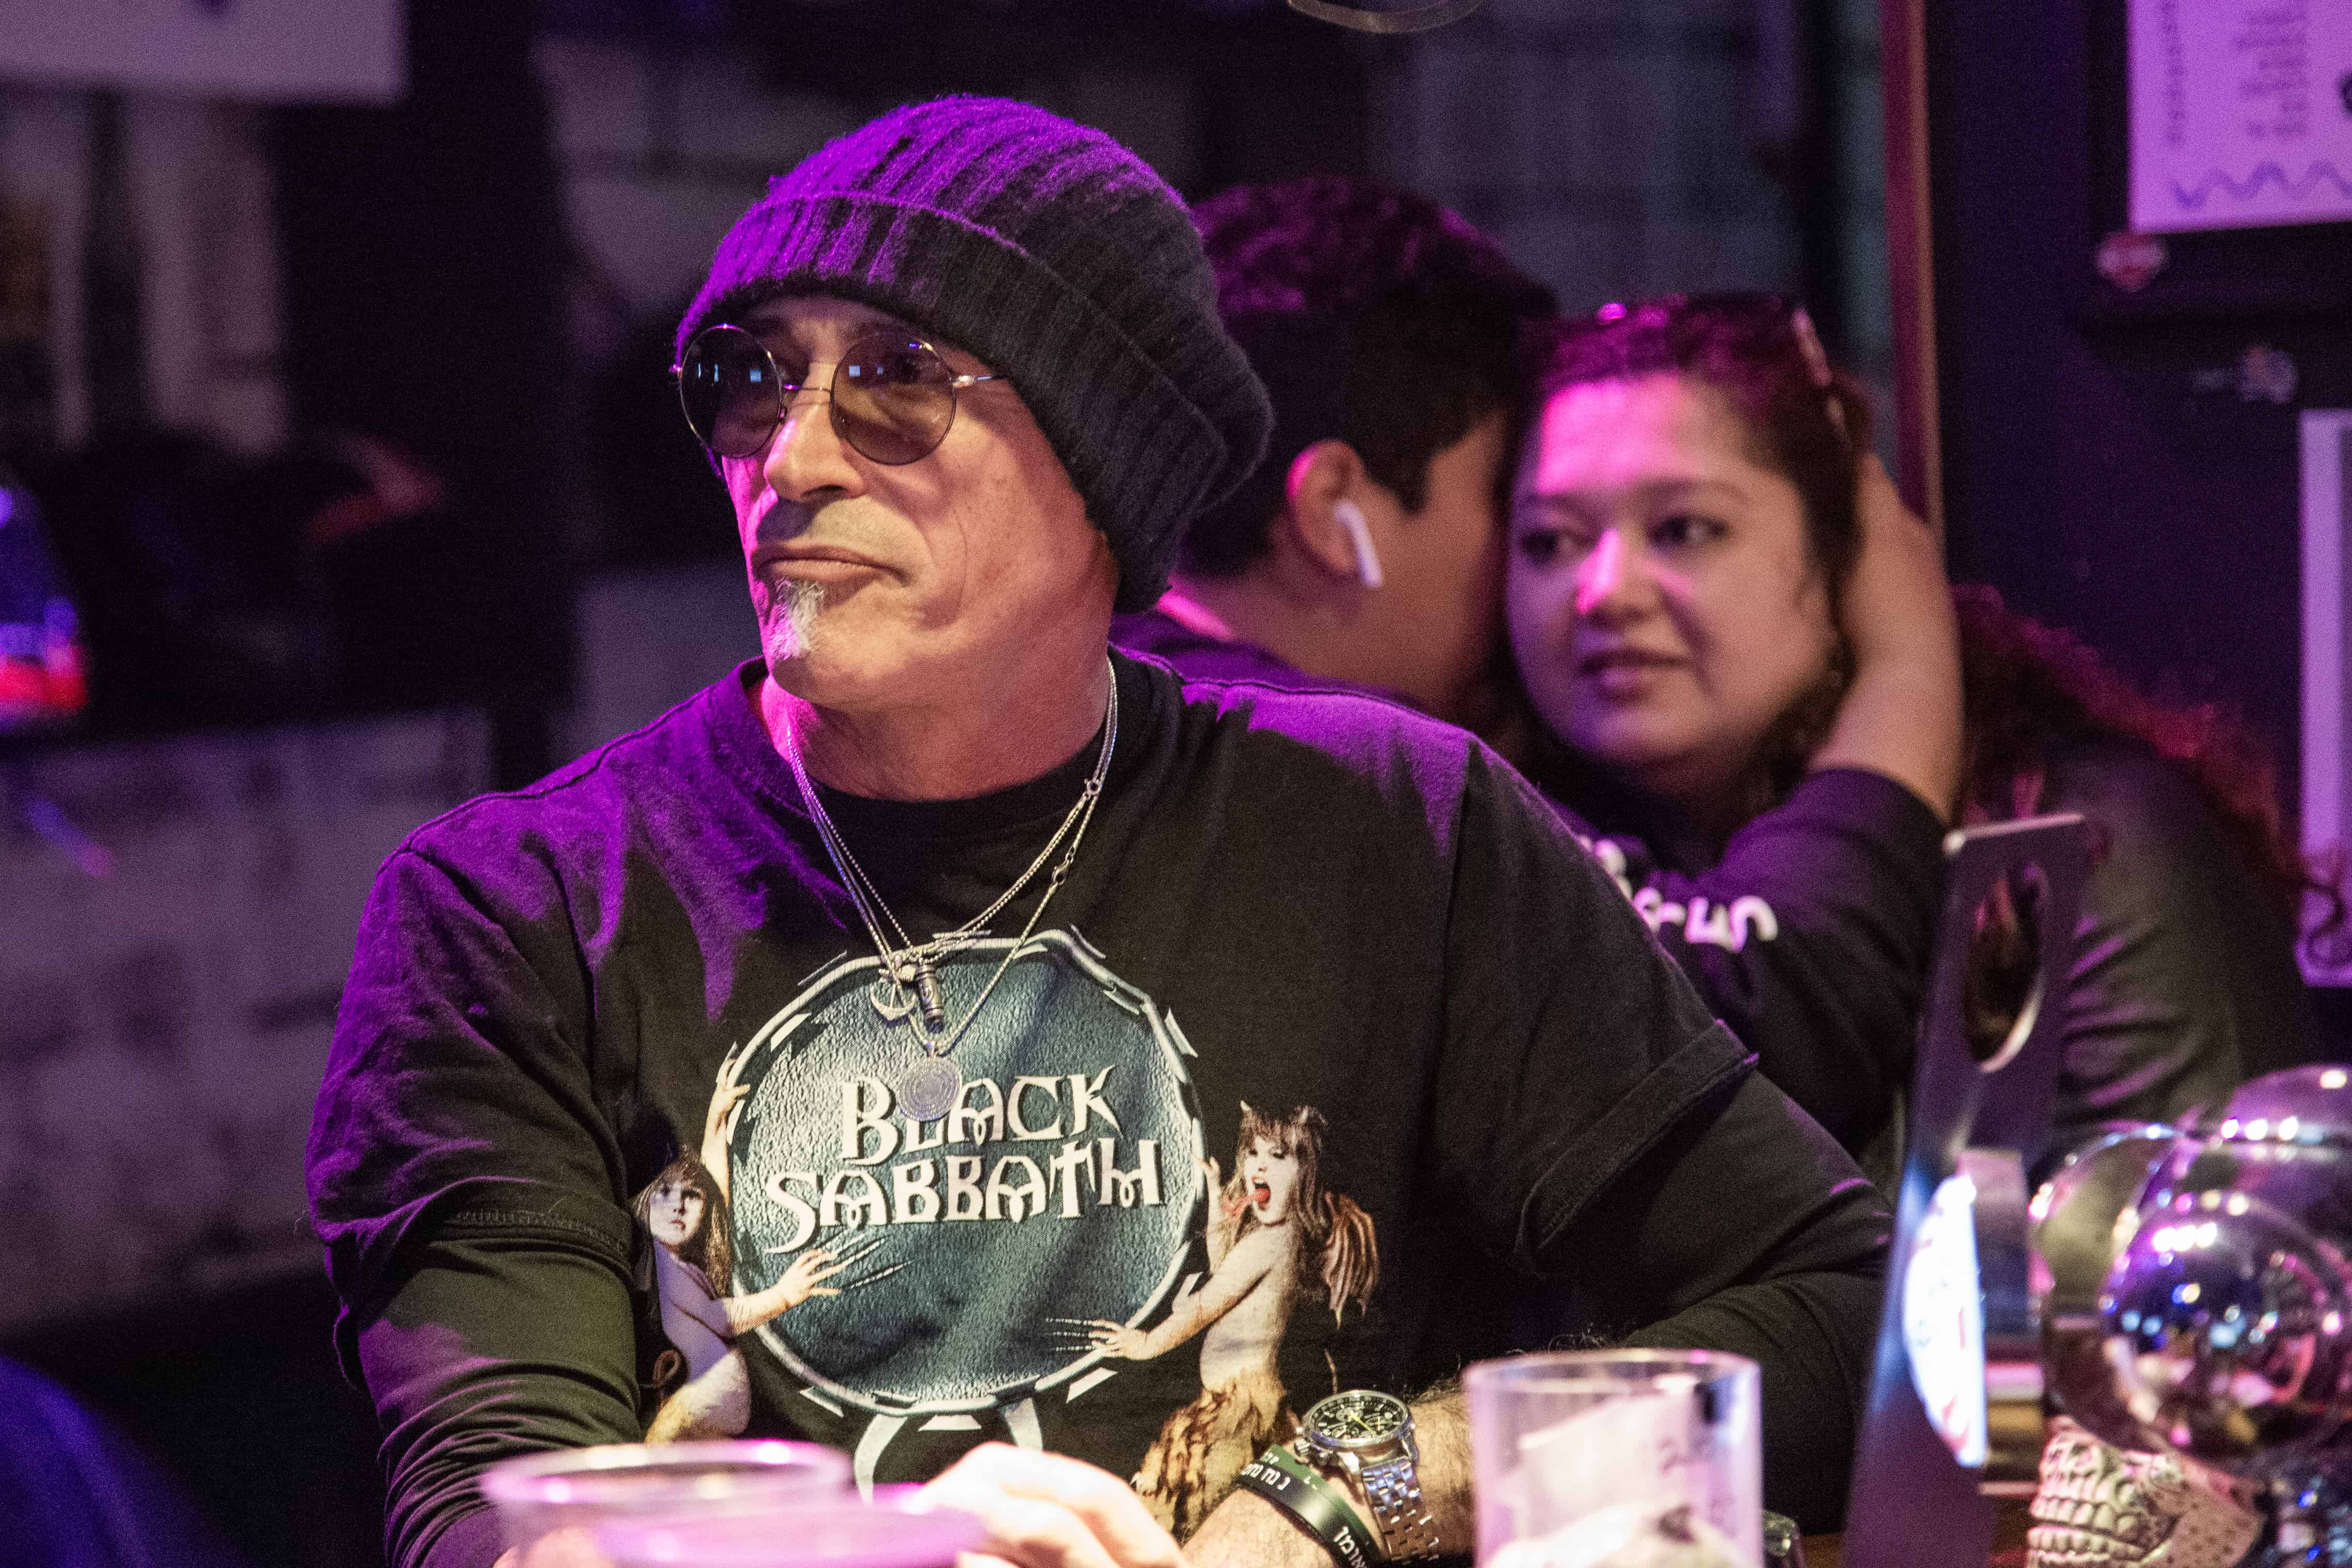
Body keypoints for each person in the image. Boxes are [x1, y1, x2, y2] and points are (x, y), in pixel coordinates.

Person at [307, 102, 1889, 1568]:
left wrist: (1362, 1487)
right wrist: (880, 1550)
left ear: (1103, 468)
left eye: (896, 383)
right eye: (753, 379)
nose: (789, 461)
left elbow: (1839, 1314)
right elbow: (490, 1522)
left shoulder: (1393, 827)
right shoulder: (512, 912)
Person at [1121, 180, 1961, 1165]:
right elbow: (1762, 1022)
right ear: (1333, 512)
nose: (1595, 592)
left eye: (1684, 529)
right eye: (1531, 526)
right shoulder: (1318, 764)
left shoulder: (1124, 702)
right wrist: (1907, 665)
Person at [1506, 290, 2318, 1156]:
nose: (1601, 591)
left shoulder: (2080, 838)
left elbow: (2189, 1260)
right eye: (1549, 542)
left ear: (1848, 557)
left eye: (1682, 529)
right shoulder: (1531, 834)